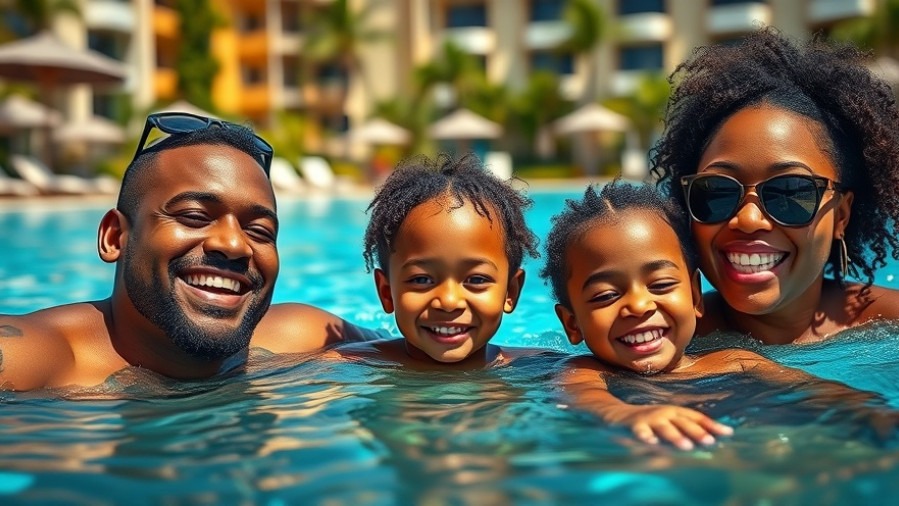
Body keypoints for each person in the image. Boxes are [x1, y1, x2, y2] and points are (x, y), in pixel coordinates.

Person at [0, 112, 365, 391]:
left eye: (259, 230)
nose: (235, 245)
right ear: (115, 237)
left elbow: (416, 343)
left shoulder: (308, 338)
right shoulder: (30, 360)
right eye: (193, 216)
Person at [542, 182, 889, 450]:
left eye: (660, 284)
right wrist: (627, 414)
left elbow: (812, 390)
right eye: (606, 295)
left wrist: (869, 413)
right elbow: (583, 398)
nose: (639, 306)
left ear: (694, 296)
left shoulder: (734, 361)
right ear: (572, 323)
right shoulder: (584, 372)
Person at [650, 27, 899, 344]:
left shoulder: (890, 327)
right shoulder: (656, 340)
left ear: (842, 215)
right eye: (717, 191)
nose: (748, 220)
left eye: (790, 192)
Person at [348, 153, 540, 368]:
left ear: (510, 292)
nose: (449, 302)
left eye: (476, 279)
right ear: (386, 292)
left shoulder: (545, 370)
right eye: (421, 280)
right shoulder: (351, 367)